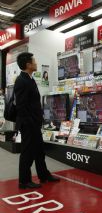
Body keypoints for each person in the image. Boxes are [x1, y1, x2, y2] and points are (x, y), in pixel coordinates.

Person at [14, 52, 60, 189]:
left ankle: (44, 175)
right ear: (28, 64)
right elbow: (21, 106)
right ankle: (24, 181)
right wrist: (30, 122)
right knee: (27, 152)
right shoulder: (22, 81)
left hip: (34, 123)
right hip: (28, 124)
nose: (36, 63)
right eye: (34, 61)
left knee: (39, 151)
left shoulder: (29, 78)